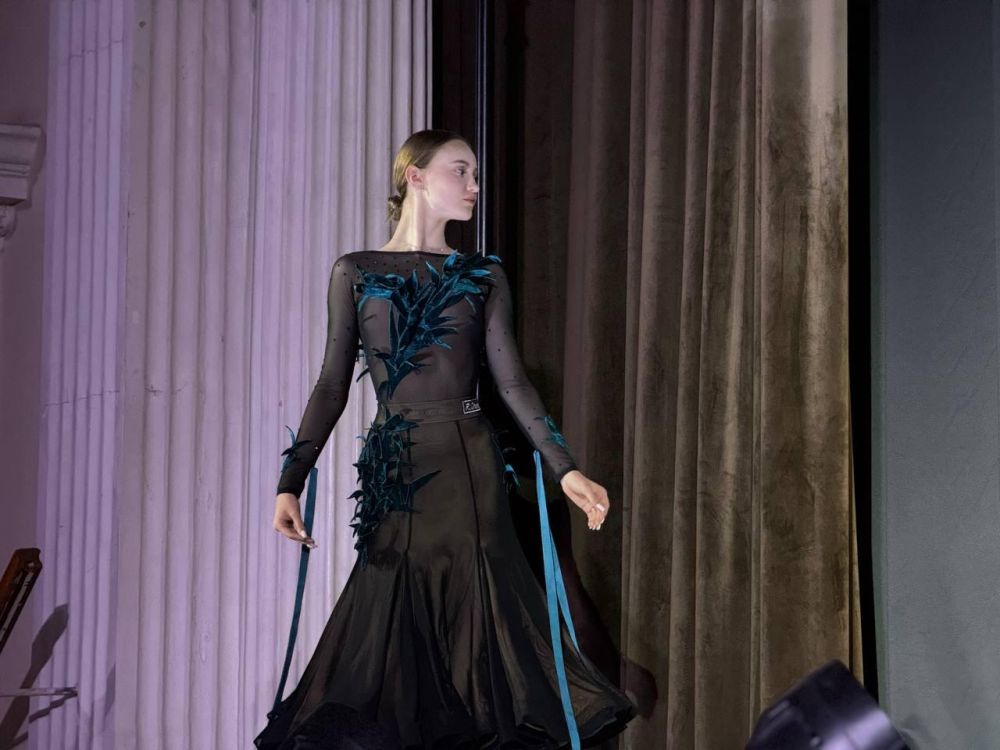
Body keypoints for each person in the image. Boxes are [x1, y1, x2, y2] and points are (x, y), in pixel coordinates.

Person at [254, 129, 636, 749]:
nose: (474, 185)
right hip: (395, 470)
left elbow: (512, 382)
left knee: (476, 631)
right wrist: (289, 484)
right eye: (461, 170)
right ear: (415, 176)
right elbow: (331, 385)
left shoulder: (482, 274)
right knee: (393, 627)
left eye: (475, 173)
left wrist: (565, 469)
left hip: (468, 465)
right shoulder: (355, 271)